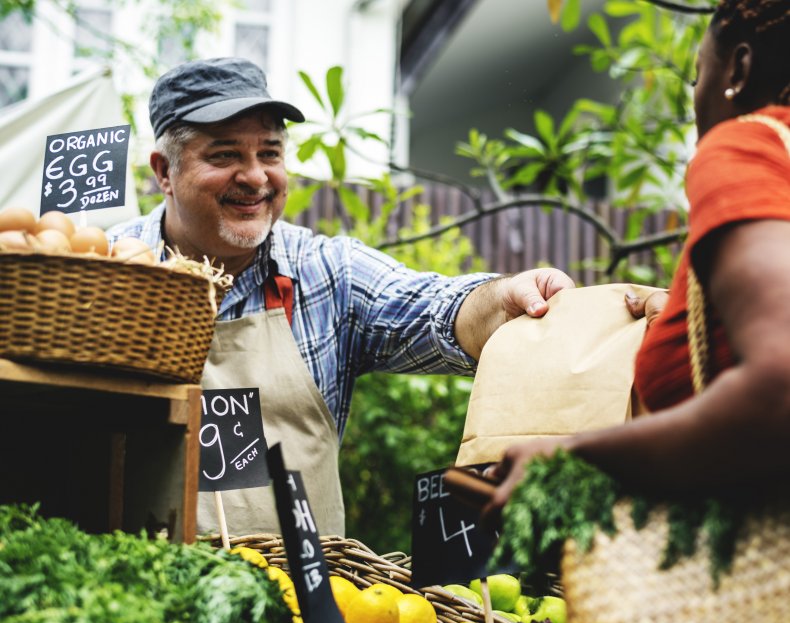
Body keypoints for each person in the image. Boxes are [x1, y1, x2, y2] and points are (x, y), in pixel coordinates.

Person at [106, 56, 576, 536]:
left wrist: (506, 298)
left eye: (269, 153)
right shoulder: (97, 271)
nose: (254, 177)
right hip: (137, 595)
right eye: (224, 156)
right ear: (165, 171)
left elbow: (436, 309)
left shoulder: (327, 274)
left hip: (300, 601)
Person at [479, 0, 790, 526]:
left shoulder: (746, 146)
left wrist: (573, 456)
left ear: (736, 69)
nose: (695, 99)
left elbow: (779, 385)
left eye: (697, 76)